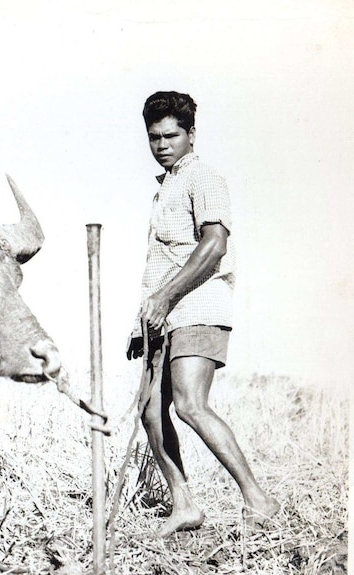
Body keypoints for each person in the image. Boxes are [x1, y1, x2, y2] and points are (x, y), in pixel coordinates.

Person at [126, 91, 279, 537]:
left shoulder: (205, 177)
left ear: (191, 134)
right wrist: (143, 319)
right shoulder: (165, 188)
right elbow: (162, 262)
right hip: (163, 313)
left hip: (199, 304)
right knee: (150, 411)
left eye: (171, 135)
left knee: (191, 404)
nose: (162, 144)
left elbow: (213, 246)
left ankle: (258, 499)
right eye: (154, 137)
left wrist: (165, 298)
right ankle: (184, 505)